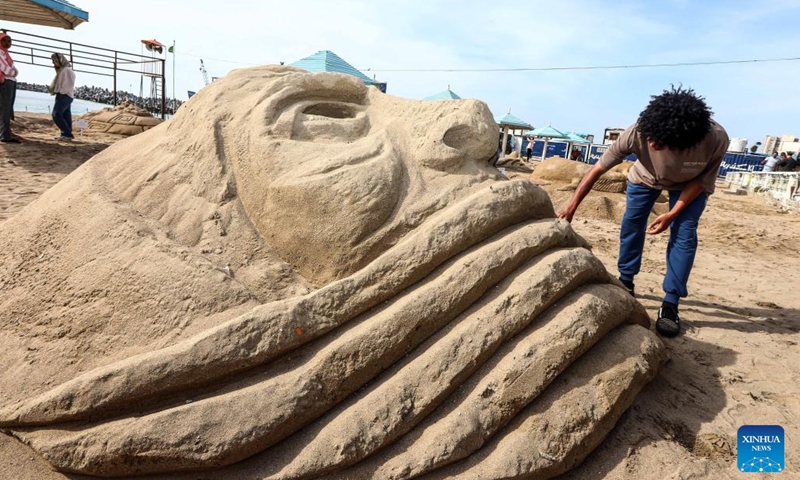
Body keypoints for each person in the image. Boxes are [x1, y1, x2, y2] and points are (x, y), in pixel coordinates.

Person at [557, 86, 729, 338]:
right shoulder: (638, 131)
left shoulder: (714, 139)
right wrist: (572, 206)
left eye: (659, 142)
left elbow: (701, 182)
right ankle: (626, 279)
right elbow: (596, 171)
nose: (651, 143)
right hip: (644, 180)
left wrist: (672, 214)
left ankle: (671, 302)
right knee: (632, 223)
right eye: (649, 137)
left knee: (685, 234)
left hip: (690, 186)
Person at [48, 53, 76, 141]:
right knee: (66, 115)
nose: (53, 63)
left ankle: (67, 133)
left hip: (64, 95)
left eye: (54, 61)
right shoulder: (64, 70)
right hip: (66, 95)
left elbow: (67, 84)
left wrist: (61, 92)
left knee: (56, 114)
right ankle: (66, 134)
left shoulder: (66, 70)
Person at [0, 32, 20, 143]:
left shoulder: (5, 54)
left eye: (9, 41)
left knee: (6, 109)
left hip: (9, 82)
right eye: (4, 40)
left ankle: (5, 133)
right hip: (6, 83)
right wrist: (13, 72)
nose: (7, 43)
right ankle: (5, 136)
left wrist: (13, 72)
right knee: (5, 110)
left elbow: (14, 70)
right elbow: (7, 70)